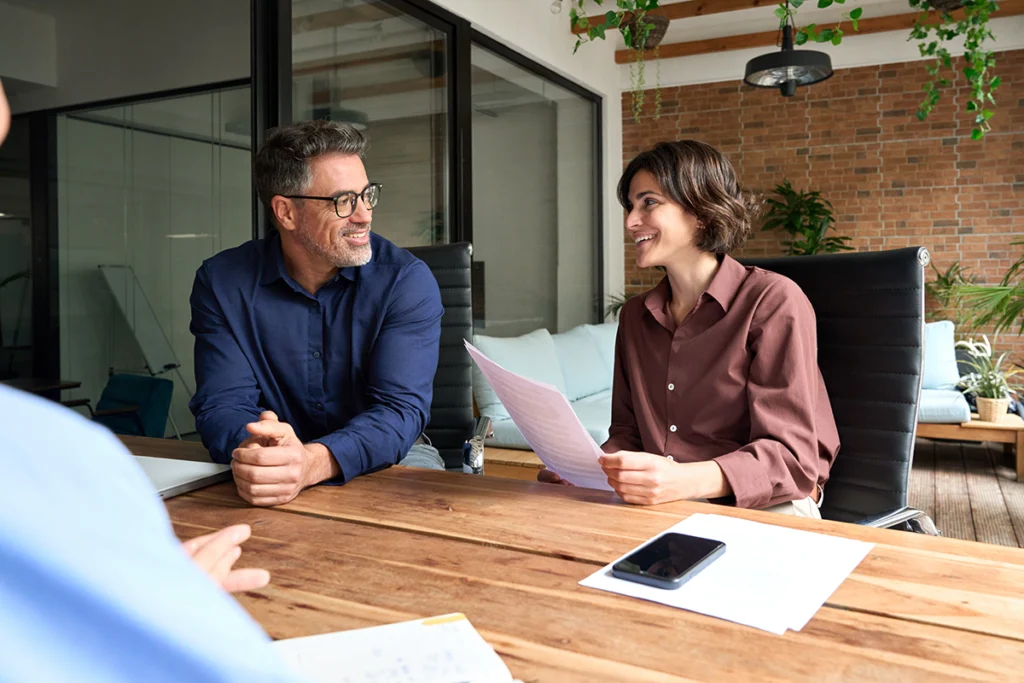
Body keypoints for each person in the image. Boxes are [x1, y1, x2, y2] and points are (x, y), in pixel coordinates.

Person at [542, 140, 839, 518]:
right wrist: (589, 467)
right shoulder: (635, 317)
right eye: (630, 206)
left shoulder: (772, 301)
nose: (631, 221)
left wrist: (683, 480)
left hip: (767, 502)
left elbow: (792, 461)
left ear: (701, 210)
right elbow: (628, 434)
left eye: (648, 202)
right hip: (664, 499)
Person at [189, 120, 445, 508]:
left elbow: (398, 411)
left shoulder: (405, 281)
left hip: (392, 456)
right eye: (344, 201)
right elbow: (223, 403)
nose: (364, 215)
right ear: (286, 212)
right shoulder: (222, 283)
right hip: (277, 461)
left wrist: (311, 461)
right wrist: (261, 447)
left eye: (367, 195)